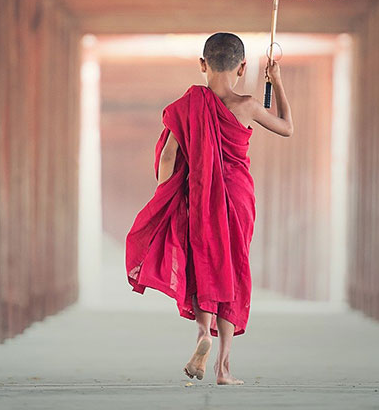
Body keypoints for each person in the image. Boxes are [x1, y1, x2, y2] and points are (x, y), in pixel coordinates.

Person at [125, 32, 293, 385]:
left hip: (199, 195)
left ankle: (203, 333)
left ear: (203, 65)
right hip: (239, 197)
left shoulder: (187, 104)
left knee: (204, 262)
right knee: (232, 268)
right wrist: (276, 82)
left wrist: (166, 194)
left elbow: (169, 156)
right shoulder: (248, 105)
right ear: (243, 66)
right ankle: (223, 367)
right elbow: (286, 128)